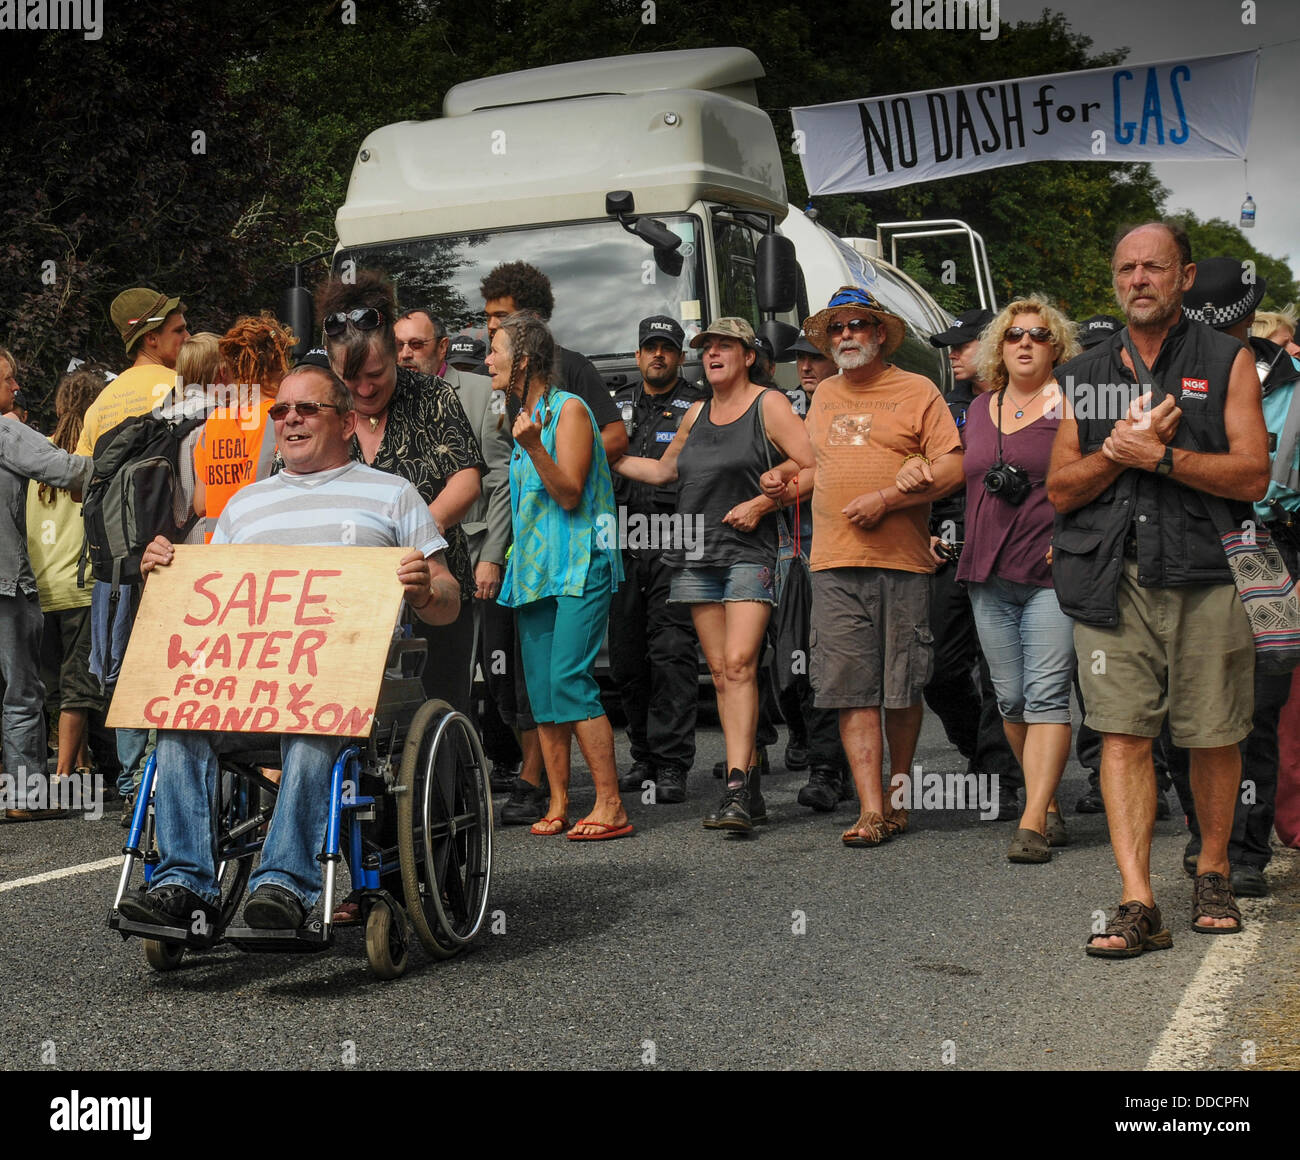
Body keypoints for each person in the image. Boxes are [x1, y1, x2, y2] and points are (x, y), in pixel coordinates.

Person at [117, 363, 461, 931]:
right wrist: (170, 569)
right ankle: (183, 884)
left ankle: (283, 883)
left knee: (313, 718)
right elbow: (213, 601)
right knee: (178, 716)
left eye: (307, 409)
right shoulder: (245, 505)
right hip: (247, 685)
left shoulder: (392, 495)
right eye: (281, 410)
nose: (290, 419)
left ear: (348, 422)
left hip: (342, 683)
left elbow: (448, 599)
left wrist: (425, 587)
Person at [1048, 222, 1270, 956]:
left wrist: (1163, 457)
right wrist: (1116, 454)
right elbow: (1058, 489)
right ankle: (1137, 900)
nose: (1139, 279)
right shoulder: (1082, 373)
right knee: (1122, 734)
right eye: (1127, 269)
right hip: (1115, 579)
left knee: (1212, 733)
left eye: (1154, 267)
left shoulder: (1227, 358)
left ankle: (1212, 870)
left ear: (1183, 276)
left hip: (1209, 576)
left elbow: (1251, 477)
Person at [764, 288, 963, 847]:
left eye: (857, 325)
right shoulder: (824, 393)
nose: (846, 335)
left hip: (900, 562)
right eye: (838, 329)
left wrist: (888, 500)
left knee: (901, 687)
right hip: (831, 562)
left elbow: (953, 469)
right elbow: (820, 469)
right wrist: (781, 485)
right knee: (850, 689)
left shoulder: (918, 390)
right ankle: (872, 809)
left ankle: (899, 798)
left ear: (879, 334)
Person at [615, 317, 816, 833]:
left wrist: (760, 503)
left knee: (741, 662)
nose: (713, 354)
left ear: (748, 356)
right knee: (723, 673)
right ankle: (745, 778)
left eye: (725, 346)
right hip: (695, 553)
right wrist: (604, 455)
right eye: (707, 347)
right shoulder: (698, 412)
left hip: (749, 549)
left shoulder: (768, 404)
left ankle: (735, 787)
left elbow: (815, 466)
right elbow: (662, 471)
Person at [1167, 258, 1300, 899]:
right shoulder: (1164, 368)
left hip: (1273, 552)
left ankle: (1245, 850)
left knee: (1259, 708)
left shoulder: (1293, 380)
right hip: (1189, 546)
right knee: (1182, 709)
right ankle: (1204, 834)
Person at [479, 261, 626, 824]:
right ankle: (561, 803)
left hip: (579, 566)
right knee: (541, 693)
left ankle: (611, 805)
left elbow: (568, 494)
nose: (486, 359)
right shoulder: (522, 416)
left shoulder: (567, 410)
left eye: (494, 349)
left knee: (570, 681)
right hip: (534, 572)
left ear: (523, 358)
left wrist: (536, 448)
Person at [315, 271, 484, 718]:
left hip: (435, 584)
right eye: (350, 379)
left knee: (440, 708)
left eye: (375, 374)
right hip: (344, 598)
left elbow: (467, 479)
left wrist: (415, 535)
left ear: (394, 351)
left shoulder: (434, 396)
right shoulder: (320, 409)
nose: (365, 390)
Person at [957, 297, 1080, 862]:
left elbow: (1095, 480)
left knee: (1046, 695)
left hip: (1050, 572)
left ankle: (1031, 822)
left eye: (1037, 334)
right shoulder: (980, 408)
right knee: (1008, 699)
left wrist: (1074, 542)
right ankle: (1046, 800)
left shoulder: (1076, 404)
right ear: (998, 348)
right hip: (988, 571)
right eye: (1013, 336)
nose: (1025, 343)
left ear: (1057, 345)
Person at [79, 287, 190, 818]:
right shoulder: (180, 388)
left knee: (125, 665)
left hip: (115, 562)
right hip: (169, 553)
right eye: (178, 331)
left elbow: (83, 484)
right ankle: (166, 777)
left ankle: (132, 783)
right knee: (172, 659)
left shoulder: (102, 401)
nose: (187, 337)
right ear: (151, 337)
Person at [398, 308, 516, 788]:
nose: (406, 353)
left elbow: (501, 475)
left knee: (471, 678)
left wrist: (492, 553)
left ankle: (469, 781)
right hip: (396, 564)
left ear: (442, 348)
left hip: (466, 554)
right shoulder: (381, 397)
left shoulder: (482, 393)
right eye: (399, 344)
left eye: (417, 345)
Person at [923, 307, 1024, 821]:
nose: (953, 354)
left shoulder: (1022, 401)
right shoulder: (942, 406)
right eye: (950, 346)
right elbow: (917, 474)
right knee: (937, 672)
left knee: (1000, 674)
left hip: (1007, 552)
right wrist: (923, 531)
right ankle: (979, 753)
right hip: (948, 552)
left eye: (963, 345)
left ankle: (1000, 777)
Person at [610, 315, 708, 803]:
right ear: (637, 355)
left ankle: (672, 765)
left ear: (679, 355)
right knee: (627, 660)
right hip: (621, 542)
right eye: (650, 346)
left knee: (671, 655)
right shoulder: (615, 404)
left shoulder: (699, 405)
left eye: (667, 347)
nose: (658, 355)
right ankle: (643, 756)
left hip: (677, 542)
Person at [0, 346, 93, 821]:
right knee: (21, 691)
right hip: (8, 583)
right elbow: (70, 469)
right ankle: (22, 797)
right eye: (8, 380)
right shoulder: (7, 430)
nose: (17, 388)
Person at [27, 368, 108, 809]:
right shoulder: (92, 456)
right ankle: (65, 776)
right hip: (82, 583)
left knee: (50, 685)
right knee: (81, 686)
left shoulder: (36, 453)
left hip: (40, 584)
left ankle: (74, 768)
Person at [479, 261, 627, 462]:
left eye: (502, 316)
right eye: (488, 316)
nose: (491, 325)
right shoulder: (482, 375)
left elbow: (616, 438)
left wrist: (555, 466)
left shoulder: (573, 366)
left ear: (533, 318)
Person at [193, 313, 292, 540]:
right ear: (279, 363)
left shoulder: (214, 422)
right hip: (262, 548)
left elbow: (200, 505)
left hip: (217, 550)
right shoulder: (284, 418)